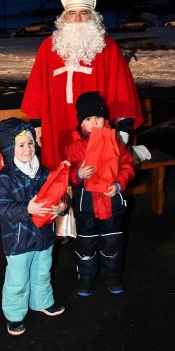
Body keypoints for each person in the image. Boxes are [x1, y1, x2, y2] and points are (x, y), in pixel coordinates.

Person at [21, 0, 143, 171]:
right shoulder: (48, 48)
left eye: (84, 13)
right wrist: (37, 125)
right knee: (60, 181)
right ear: (63, 17)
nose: (77, 19)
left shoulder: (107, 48)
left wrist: (123, 128)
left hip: (96, 131)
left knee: (96, 181)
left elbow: (121, 91)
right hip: (56, 127)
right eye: (72, 13)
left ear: (93, 16)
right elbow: (36, 91)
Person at [0, 117, 67, 336]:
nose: (27, 149)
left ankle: (41, 301)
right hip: (18, 240)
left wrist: (61, 205)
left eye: (31, 143)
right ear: (8, 149)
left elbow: (59, 192)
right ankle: (15, 315)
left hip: (43, 237)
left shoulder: (43, 172)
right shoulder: (4, 179)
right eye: (20, 145)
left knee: (42, 271)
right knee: (17, 279)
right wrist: (27, 209)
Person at [64, 91, 135, 297]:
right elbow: (64, 172)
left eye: (98, 117)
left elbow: (127, 167)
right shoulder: (75, 146)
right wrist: (77, 173)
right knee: (86, 244)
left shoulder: (115, 141)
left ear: (106, 119)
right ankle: (86, 278)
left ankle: (112, 276)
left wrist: (119, 185)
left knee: (112, 242)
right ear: (81, 123)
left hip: (112, 204)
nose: (94, 122)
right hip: (86, 207)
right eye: (88, 119)